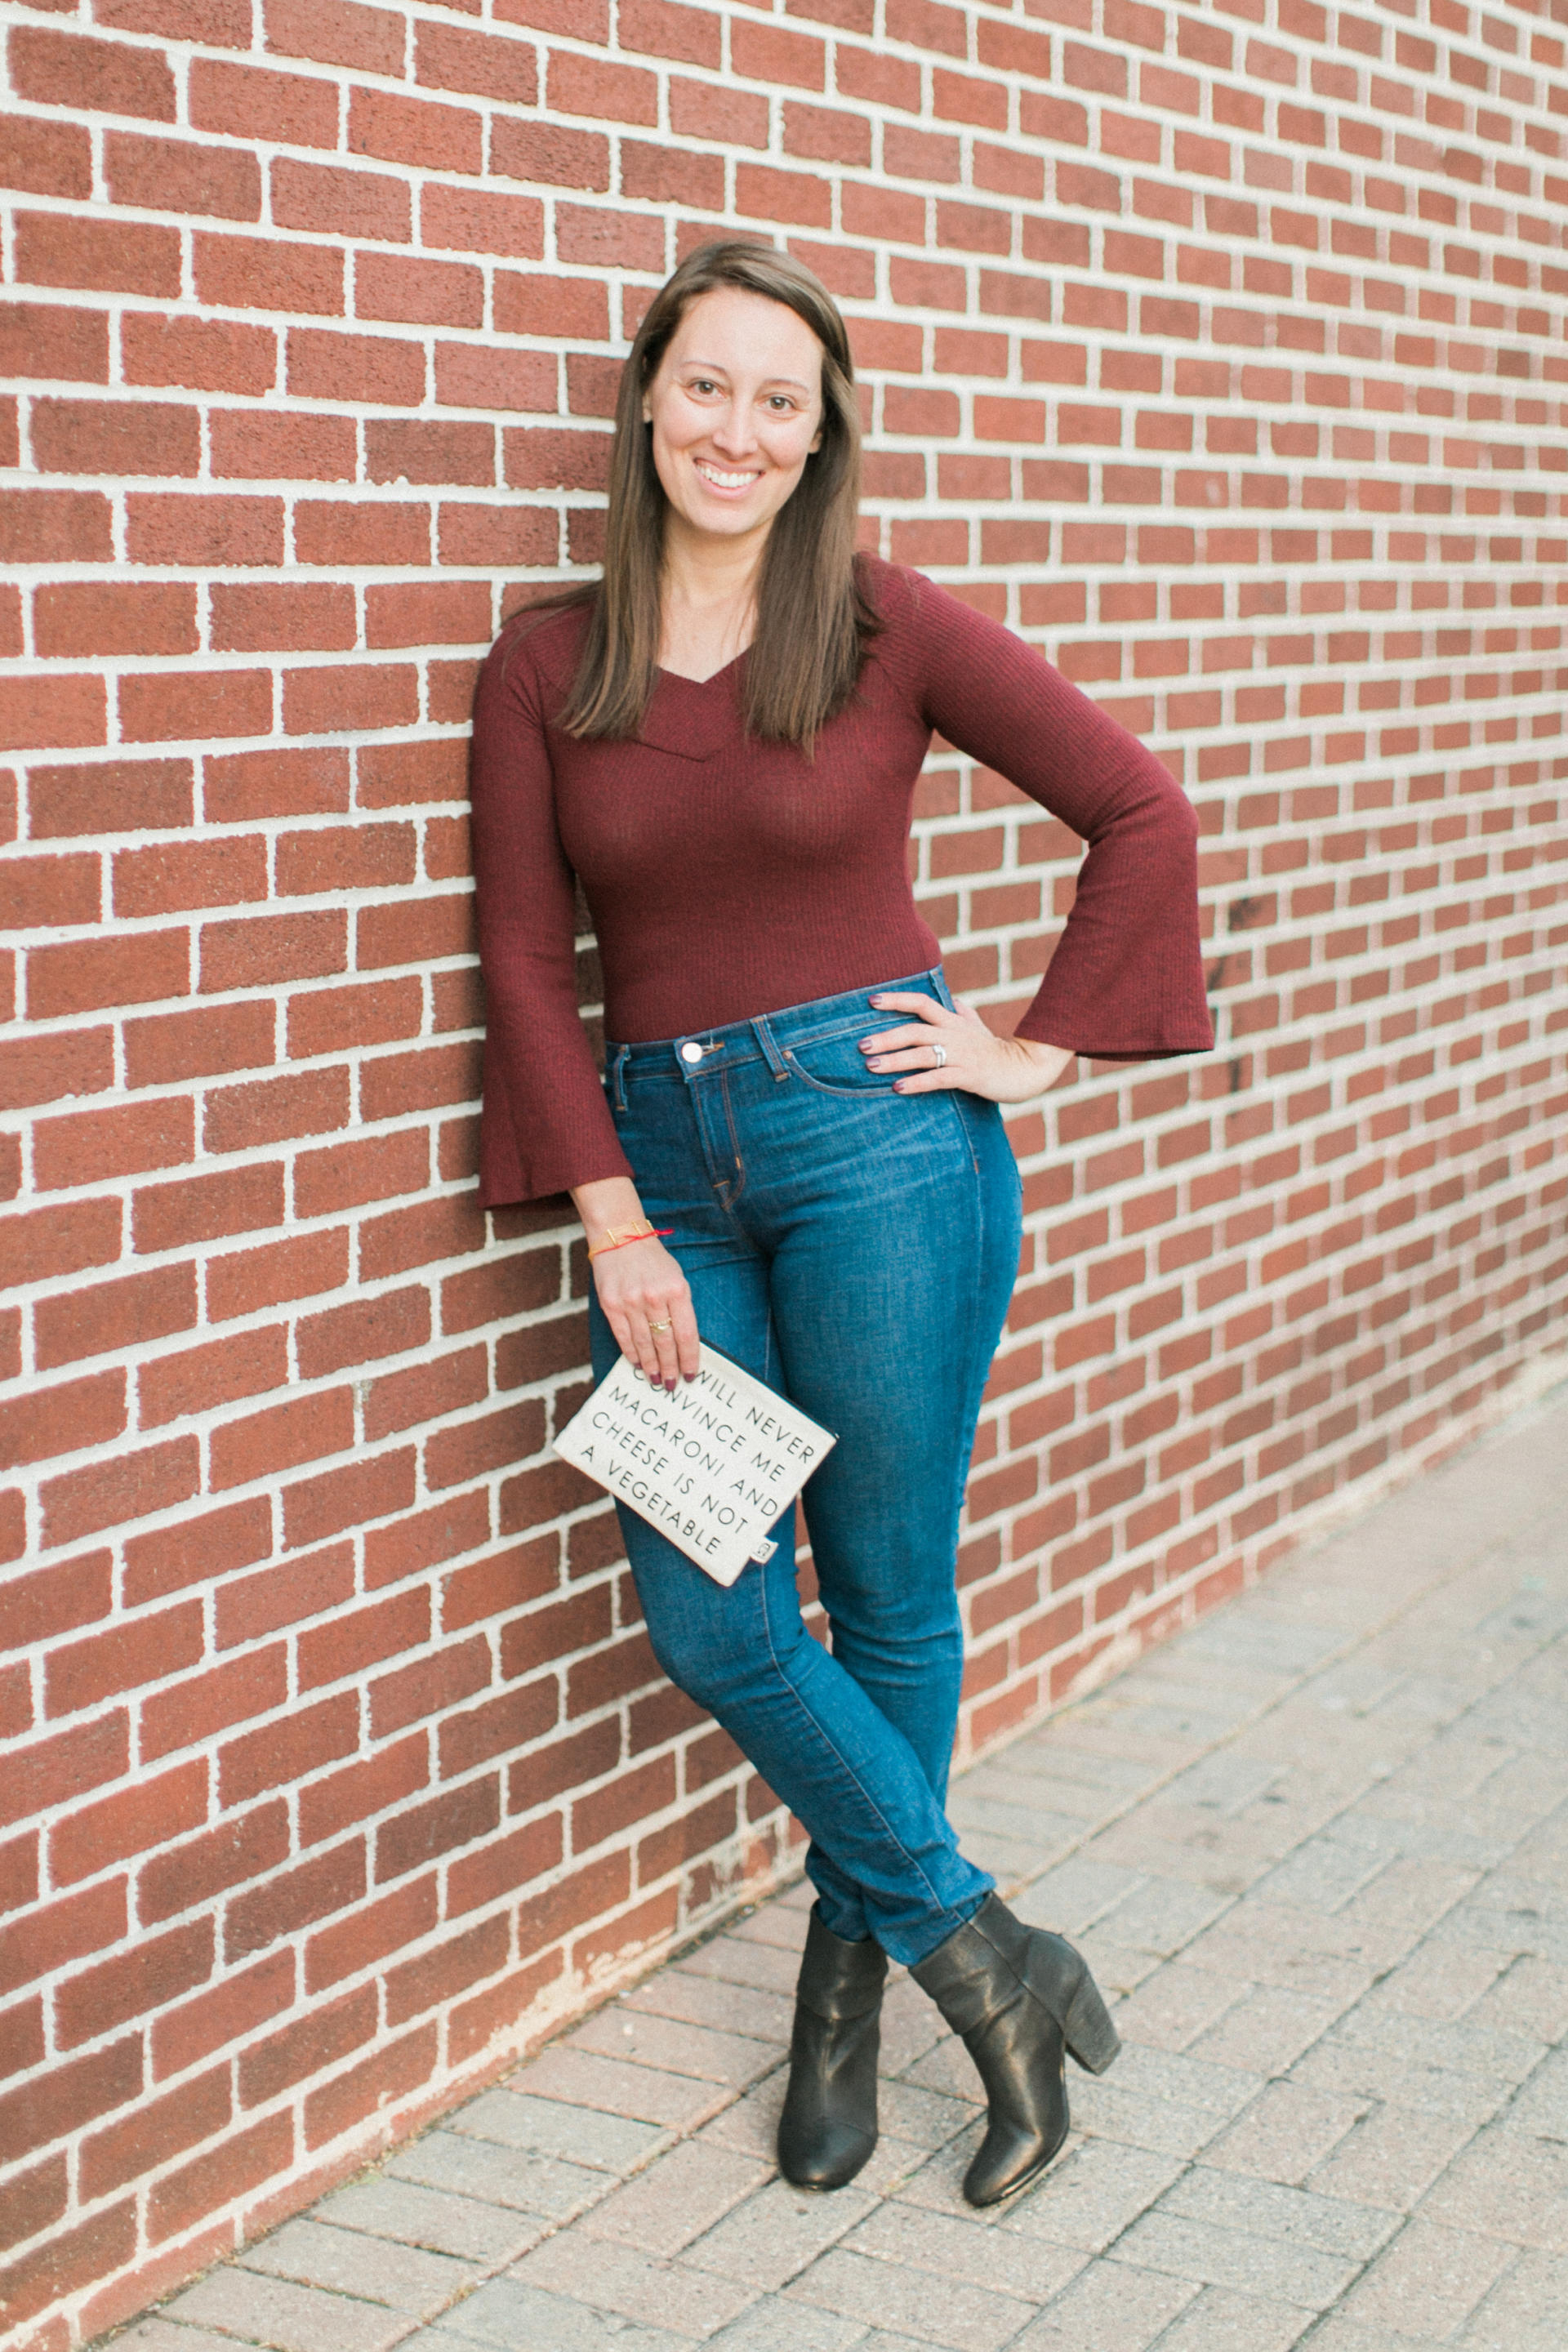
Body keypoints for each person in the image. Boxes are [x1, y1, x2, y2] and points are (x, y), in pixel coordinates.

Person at [469, 240, 1213, 2209]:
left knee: (883, 1589)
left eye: (779, 398)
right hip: (666, 1182)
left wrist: (1037, 1049)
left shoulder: (885, 623)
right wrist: (612, 1224)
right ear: (649, 403)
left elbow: (1142, 809)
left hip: (884, 1151)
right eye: (707, 386)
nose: (739, 428)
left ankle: (842, 1989)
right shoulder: (550, 662)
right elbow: (527, 961)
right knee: (712, 1615)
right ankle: (989, 1962)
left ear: (824, 431)